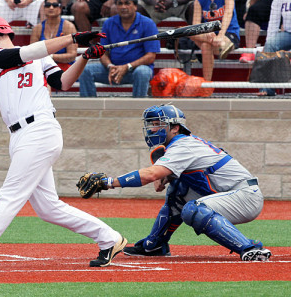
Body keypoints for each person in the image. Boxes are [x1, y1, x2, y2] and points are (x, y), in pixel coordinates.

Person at [0, 15, 127, 270]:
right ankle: (110, 239)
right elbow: (19, 55)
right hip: (20, 135)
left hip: (41, 130)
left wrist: (84, 57)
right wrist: (74, 39)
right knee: (48, 208)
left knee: (10, 196)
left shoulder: (40, 54)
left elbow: (62, 83)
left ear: (1, 27)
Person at [92, 103, 272, 262]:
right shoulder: (180, 145)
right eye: (152, 124)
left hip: (245, 196)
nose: (152, 129)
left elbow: (150, 175)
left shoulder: (183, 145)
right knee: (178, 190)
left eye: (158, 124)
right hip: (227, 194)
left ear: (175, 128)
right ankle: (154, 245)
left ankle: (250, 248)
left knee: (194, 210)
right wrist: (168, 178)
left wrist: (108, 182)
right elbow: (165, 178)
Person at [79, 0, 159, 97]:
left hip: (135, 69)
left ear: (135, 6)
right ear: (116, 6)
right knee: (85, 70)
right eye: (120, 3)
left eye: (127, 3)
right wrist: (110, 66)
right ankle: (89, 109)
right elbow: (103, 52)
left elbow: (150, 56)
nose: (123, 7)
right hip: (113, 69)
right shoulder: (109, 23)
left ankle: (138, 109)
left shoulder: (148, 24)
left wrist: (127, 66)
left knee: (143, 72)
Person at [188, 0, 240, 81]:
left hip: (228, 33)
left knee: (208, 45)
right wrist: (206, 34)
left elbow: (227, 15)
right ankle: (207, 86)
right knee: (193, 34)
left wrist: (220, 35)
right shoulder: (199, 0)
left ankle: (207, 83)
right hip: (210, 34)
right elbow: (196, 25)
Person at [256, 0, 291, 97]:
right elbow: (274, 18)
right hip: (288, 33)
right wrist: (268, 40)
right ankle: (267, 89)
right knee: (270, 45)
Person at [30, 0, 77, 72]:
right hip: (43, 67)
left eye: (55, 5)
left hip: (65, 68)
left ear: (60, 8)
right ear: (44, 8)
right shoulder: (37, 29)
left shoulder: (68, 27)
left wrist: (51, 56)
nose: (51, 8)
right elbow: (31, 53)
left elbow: (72, 56)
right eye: (48, 5)